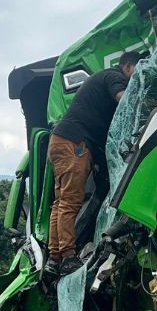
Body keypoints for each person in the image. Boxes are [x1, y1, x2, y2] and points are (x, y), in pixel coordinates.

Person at [45, 51, 141, 275]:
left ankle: (54, 257)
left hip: (60, 140)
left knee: (60, 203)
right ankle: (68, 257)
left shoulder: (100, 80)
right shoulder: (113, 76)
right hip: (73, 143)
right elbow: (123, 99)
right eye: (136, 71)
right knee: (70, 202)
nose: (137, 78)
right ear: (128, 66)